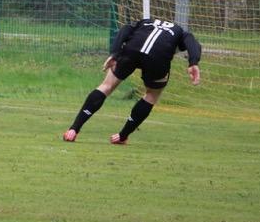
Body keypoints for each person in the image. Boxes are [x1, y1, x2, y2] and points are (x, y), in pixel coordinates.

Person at [63, 18, 201, 144]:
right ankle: (122, 136)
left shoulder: (144, 22)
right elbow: (192, 41)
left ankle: (73, 130)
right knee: (151, 95)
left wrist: (114, 53)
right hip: (158, 57)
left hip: (132, 48)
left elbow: (125, 29)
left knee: (106, 86)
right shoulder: (180, 32)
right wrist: (193, 63)